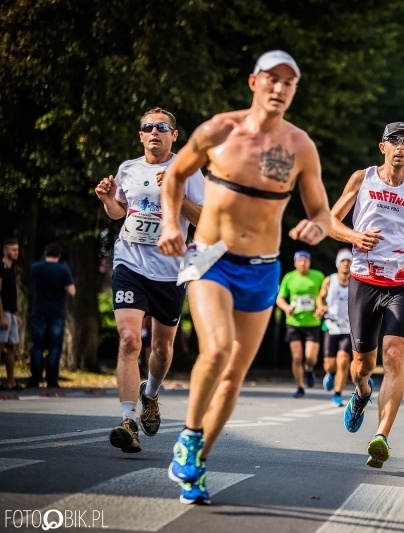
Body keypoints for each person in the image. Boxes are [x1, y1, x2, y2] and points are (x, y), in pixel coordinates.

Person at [157, 50, 330, 503]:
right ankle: (190, 436)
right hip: (211, 258)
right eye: (272, 79)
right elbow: (174, 176)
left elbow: (323, 213)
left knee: (234, 373)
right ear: (253, 82)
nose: (279, 88)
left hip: (262, 267)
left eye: (289, 82)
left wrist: (316, 227)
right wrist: (173, 224)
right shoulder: (220, 129)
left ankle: (195, 465)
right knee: (216, 350)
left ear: (294, 91)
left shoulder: (299, 146)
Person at [95, 107, 205, 454]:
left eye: (162, 127)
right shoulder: (128, 168)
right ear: (141, 135)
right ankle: (128, 421)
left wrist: (177, 194)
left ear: (174, 135)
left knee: (162, 348)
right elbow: (119, 211)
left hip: (170, 271)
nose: (154, 131)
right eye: (147, 127)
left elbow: (206, 219)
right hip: (130, 262)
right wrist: (108, 200)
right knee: (129, 340)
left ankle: (151, 394)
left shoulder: (187, 171)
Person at [329, 121, 404, 468]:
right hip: (364, 279)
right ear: (383, 147)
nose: (401, 147)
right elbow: (331, 219)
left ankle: (381, 436)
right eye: (395, 141)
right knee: (362, 365)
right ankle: (361, 392)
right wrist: (353, 237)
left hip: (403, 282)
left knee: (394, 356)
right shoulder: (362, 179)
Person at [276, 250, 325, 398]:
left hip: (312, 322)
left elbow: (324, 296)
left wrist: (321, 308)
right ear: (295, 263)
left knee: (310, 358)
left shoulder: (318, 276)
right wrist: (286, 308)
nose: (302, 263)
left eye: (305, 260)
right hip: (294, 322)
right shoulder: (289, 277)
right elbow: (280, 298)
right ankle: (300, 386)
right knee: (297, 357)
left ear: (309, 262)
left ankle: (309, 369)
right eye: (300, 260)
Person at [28, 243, 76, 389]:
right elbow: (72, 291)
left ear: (45, 253)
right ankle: (51, 379)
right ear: (59, 255)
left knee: (37, 346)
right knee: (54, 347)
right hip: (56, 312)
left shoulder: (36, 267)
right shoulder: (63, 269)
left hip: (39, 310)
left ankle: (35, 379)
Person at [316, 248, 353, 407]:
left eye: (349, 261)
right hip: (331, 325)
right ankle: (330, 373)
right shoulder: (329, 280)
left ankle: (337, 394)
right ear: (338, 264)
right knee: (329, 364)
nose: (346, 264)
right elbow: (320, 297)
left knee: (343, 361)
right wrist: (320, 307)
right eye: (343, 261)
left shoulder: (356, 282)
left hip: (348, 327)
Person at [0, 238, 21, 390]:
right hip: (3, 312)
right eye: (13, 249)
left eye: (17, 249)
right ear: (5, 250)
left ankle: (10, 381)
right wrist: (1, 315)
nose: (16, 252)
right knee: (1, 345)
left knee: (13, 346)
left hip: (12, 312)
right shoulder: (1, 268)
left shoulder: (12, 269)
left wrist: (17, 313)